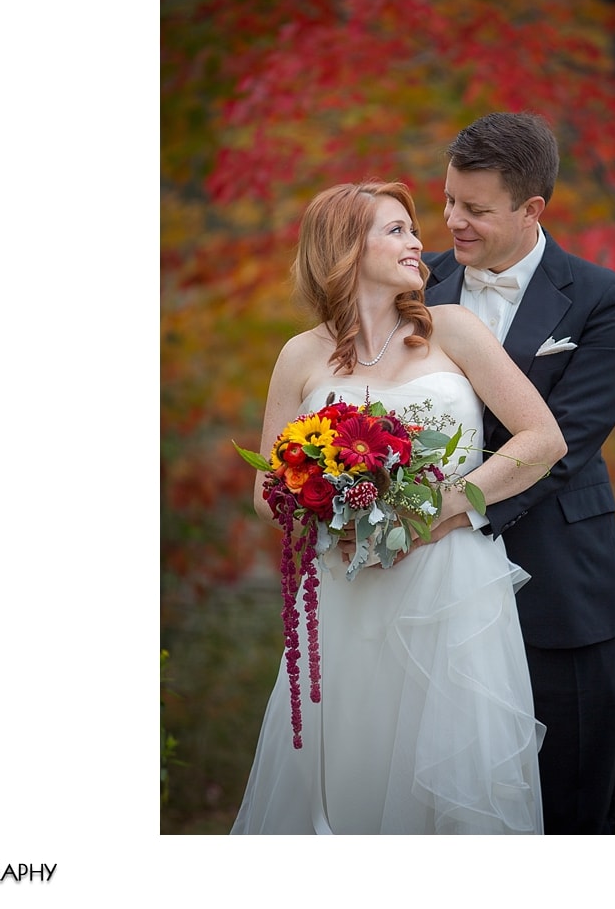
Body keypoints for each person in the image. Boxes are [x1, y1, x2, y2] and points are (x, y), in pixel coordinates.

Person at [231, 180, 566, 834]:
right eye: (397, 230)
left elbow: (542, 439)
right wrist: (337, 517)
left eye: (415, 230)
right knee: (348, 773)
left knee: (449, 781)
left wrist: (442, 502)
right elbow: (266, 486)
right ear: (345, 246)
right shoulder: (299, 355)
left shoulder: (455, 332)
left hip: (449, 585)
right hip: (344, 589)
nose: (420, 243)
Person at [423, 111, 615, 834]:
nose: (452, 220)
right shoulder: (414, 281)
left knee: (571, 801)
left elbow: (568, 441)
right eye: (449, 198)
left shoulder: (604, 298)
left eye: (475, 209)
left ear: (531, 209)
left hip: (559, 585)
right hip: (430, 588)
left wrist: (454, 510)